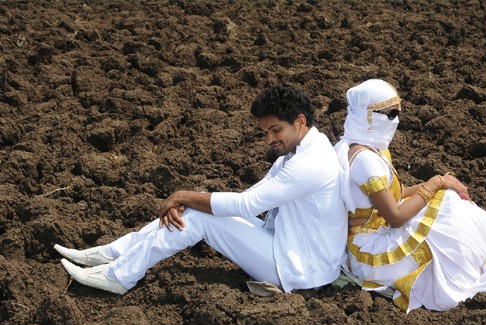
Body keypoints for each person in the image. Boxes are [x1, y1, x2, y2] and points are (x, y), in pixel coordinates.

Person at [54, 84, 348, 295]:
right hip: (288, 246)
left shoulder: (311, 161)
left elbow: (248, 204)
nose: (269, 139)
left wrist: (183, 196)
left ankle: (119, 276)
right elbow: (255, 194)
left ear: (300, 121)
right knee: (200, 208)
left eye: (275, 130)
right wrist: (193, 201)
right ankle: (113, 254)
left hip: (300, 271)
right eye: (265, 132)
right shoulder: (298, 151)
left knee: (201, 215)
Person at [334, 79, 486, 313]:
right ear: (368, 116)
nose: (396, 121)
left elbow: (400, 192)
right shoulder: (365, 161)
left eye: (398, 113)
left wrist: (442, 184)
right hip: (371, 247)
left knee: (449, 200)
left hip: (384, 226)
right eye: (391, 114)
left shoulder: (373, 149)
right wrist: (436, 182)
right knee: (442, 230)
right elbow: (395, 217)